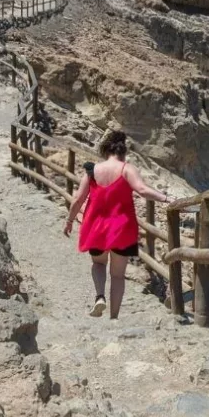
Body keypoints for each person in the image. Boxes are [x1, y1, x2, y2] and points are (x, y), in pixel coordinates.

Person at [63, 130, 170, 318]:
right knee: (118, 275)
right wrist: (166, 199)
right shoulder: (127, 169)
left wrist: (69, 220)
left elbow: (78, 200)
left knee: (98, 264)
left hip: (96, 226)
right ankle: (114, 317)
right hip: (122, 228)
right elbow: (142, 190)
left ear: (105, 150)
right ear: (123, 151)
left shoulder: (92, 171)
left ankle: (100, 297)